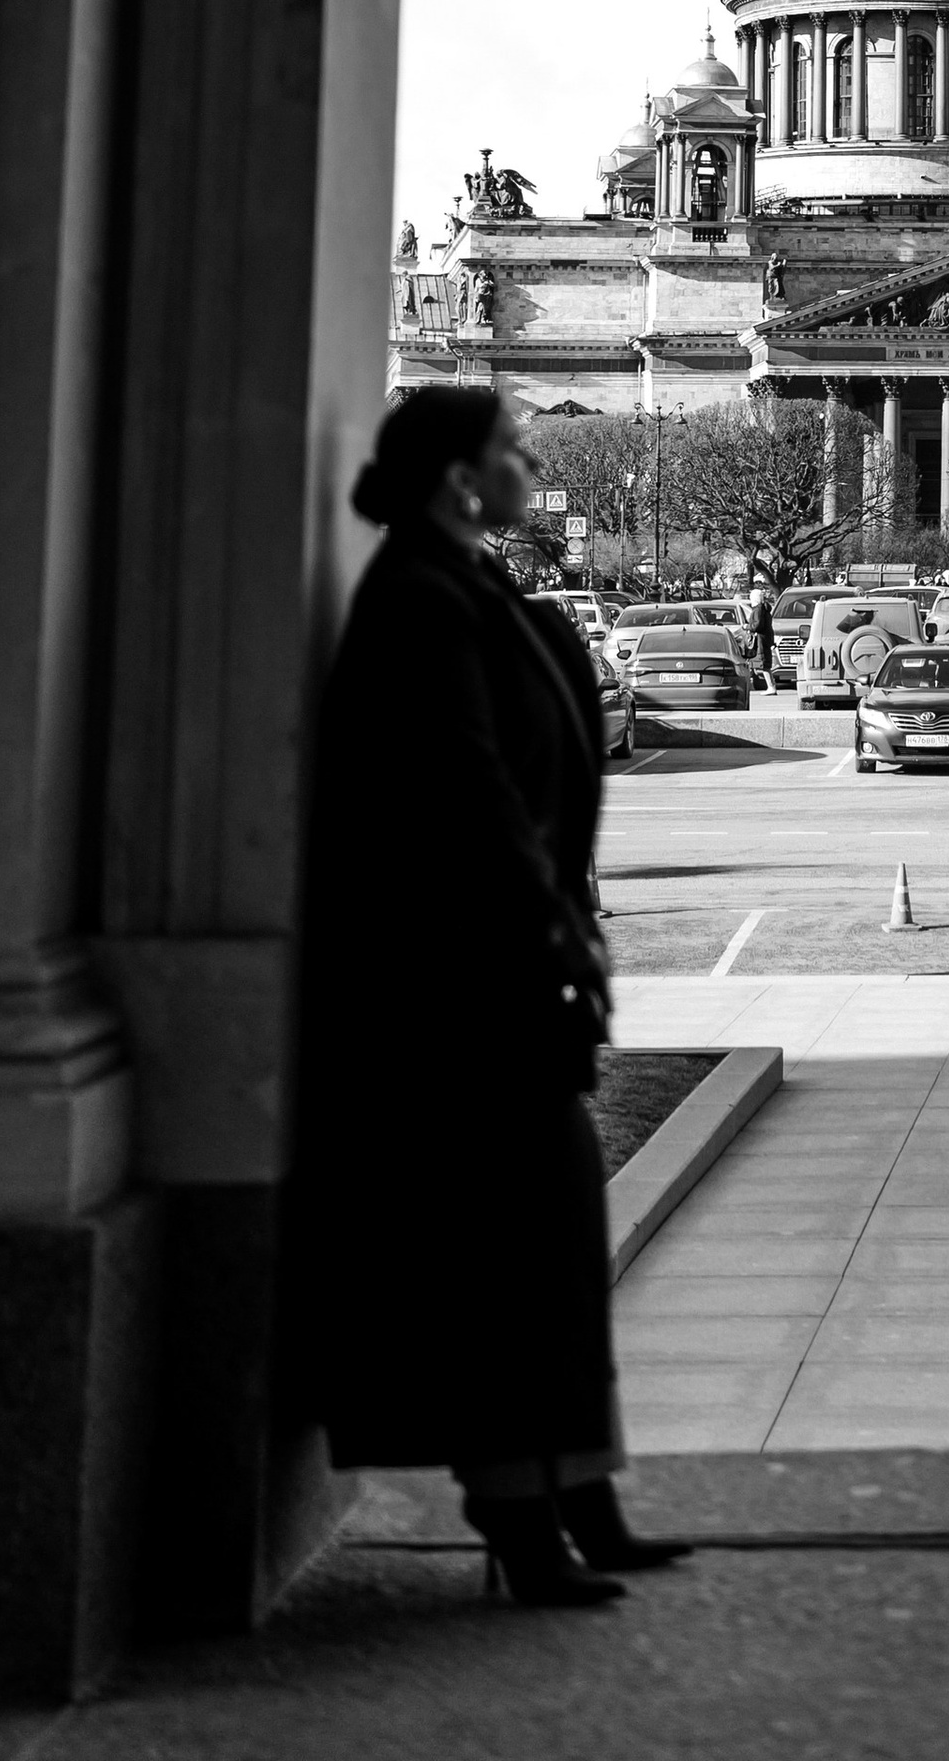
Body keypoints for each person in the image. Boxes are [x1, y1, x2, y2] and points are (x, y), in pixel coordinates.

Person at [290, 387, 687, 1609]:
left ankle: (583, 1497)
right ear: (462, 481)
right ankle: (522, 1522)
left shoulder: (462, 583)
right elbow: (462, 788)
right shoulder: (419, 598)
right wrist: (554, 923)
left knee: (556, 1248)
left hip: (501, 971)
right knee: (504, 1259)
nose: (532, 464)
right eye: (515, 451)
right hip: (460, 985)